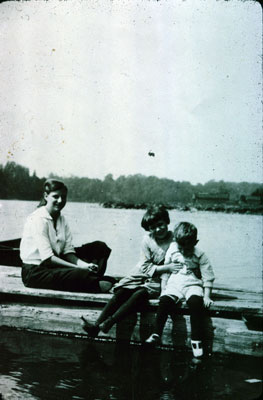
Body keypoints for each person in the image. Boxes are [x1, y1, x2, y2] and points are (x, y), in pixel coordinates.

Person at [81, 205, 179, 336]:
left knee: (139, 294)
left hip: (161, 280)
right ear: (148, 229)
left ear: (167, 221)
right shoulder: (147, 240)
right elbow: (145, 266)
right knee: (122, 291)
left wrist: (168, 270)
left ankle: (109, 323)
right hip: (143, 274)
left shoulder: (175, 240)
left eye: (160, 224)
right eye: (153, 227)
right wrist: (166, 267)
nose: (158, 229)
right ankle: (96, 325)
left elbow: (179, 262)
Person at [20, 179, 115, 293]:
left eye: (63, 197)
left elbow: (68, 252)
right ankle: (94, 282)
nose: (60, 201)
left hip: (54, 265)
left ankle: (91, 277)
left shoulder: (62, 219)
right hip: (35, 272)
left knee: (100, 247)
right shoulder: (38, 219)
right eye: (55, 196)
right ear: (46, 196)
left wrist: (85, 265)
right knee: (79, 273)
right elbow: (48, 258)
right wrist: (77, 268)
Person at [146, 221, 215, 359]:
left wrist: (207, 296)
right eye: (181, 247)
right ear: (176, 241)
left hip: (192, 284)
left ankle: (196, 340)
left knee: (196, 303)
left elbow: (208, 277)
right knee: (165, 301)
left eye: (187, 248)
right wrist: (163, 289)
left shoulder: (200, 255)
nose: (183, 251)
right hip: (175, 283)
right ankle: (156, 333)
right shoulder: (172, 249)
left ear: (195, 242)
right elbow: (166, 271)